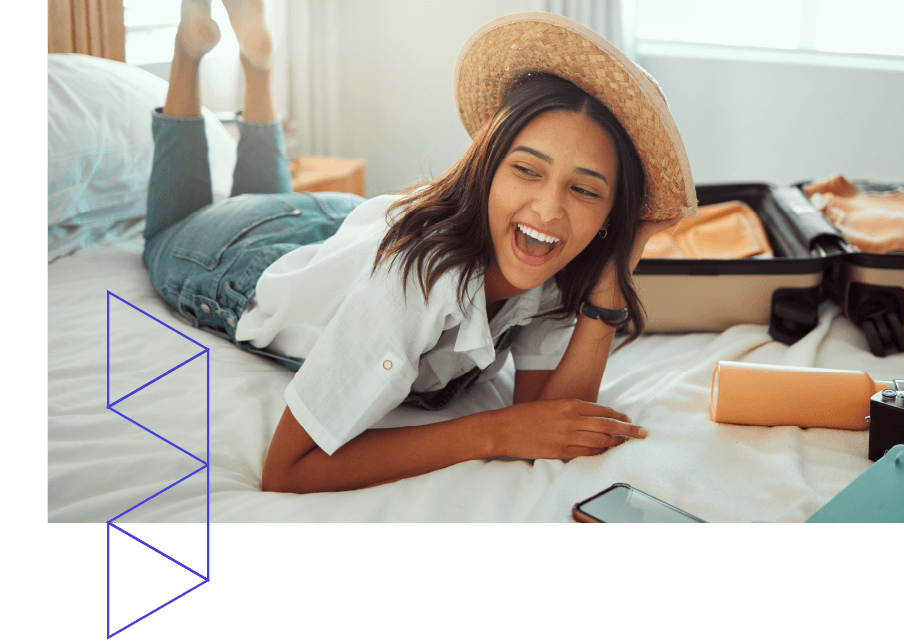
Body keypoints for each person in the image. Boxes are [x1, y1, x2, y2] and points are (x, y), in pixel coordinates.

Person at [145, 2, 696, 494]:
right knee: (166, 232)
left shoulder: (556, 264)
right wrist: (490, 432)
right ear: (486, 167)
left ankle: (257, 70)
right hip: (242, 257)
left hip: (345, 228)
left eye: (584, 190)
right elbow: (287, 470)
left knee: (267, 196)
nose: (551, 211)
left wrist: (616, 268)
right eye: (527, 170)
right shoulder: (419, 280)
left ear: (608, 216)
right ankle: (188, 54)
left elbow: (547, 419)